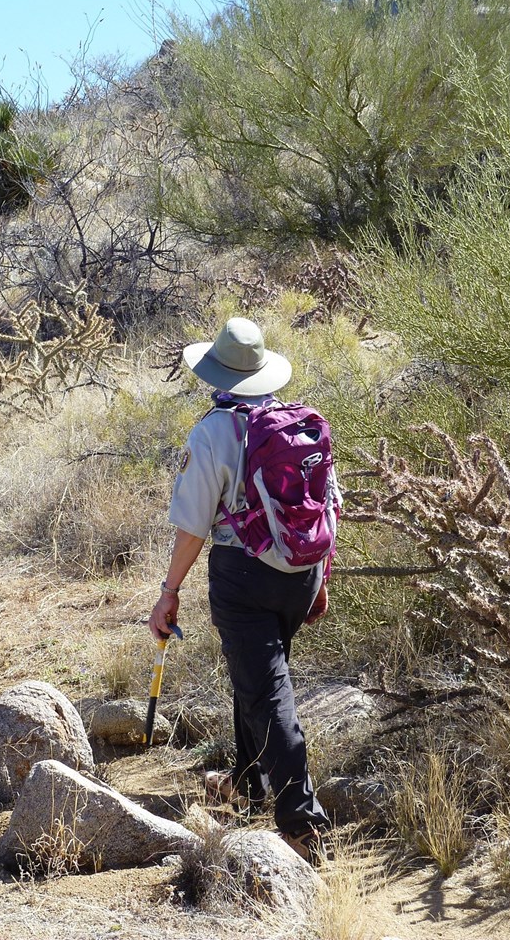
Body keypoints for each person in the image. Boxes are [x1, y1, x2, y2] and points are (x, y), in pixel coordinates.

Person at [148, 316, 331, 861]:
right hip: (301, 574)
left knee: (266, 690)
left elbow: (193, 526)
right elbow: (328, 509)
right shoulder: (300, 423)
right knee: (256, 677)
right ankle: (249, 785)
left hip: (243, 575)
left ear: (218, 374)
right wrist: (320, 579)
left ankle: (303, 824)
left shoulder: (215, 430)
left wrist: (168, 591)